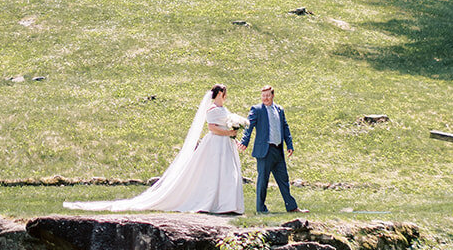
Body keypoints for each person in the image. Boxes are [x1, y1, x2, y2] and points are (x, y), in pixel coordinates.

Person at [63, 84, 246, 214]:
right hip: (216, 144)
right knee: (214, 172)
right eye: (224, 92)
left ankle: (226, 203)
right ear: (219, 94)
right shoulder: (213, 109)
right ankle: (214, 202)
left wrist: (233, 134)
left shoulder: (223, 108)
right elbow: (212, 128)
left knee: (227, 173)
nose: (225, 95)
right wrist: (229, 133)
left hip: (226, 144)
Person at [240, 85, 298, 214]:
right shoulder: (257, 109)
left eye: (268, 95)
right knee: (263, 181)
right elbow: (249, 126)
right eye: (263, 95)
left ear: (273, 96)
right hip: (264, 151)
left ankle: (292, 207)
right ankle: (261, 209)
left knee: (284, 179)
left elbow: (285, 127)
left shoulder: (279, 109)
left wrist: (289, 145)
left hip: (278, 150)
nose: (265, 98)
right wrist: (245, 141)